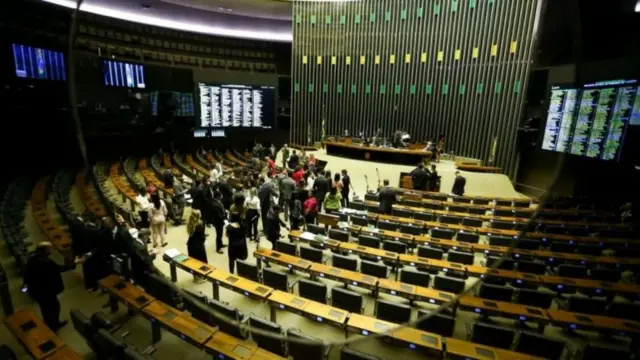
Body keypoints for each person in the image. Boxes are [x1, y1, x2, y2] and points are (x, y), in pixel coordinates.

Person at [24, 242, 86, 331]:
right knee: (54, 307)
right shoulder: (46, 262)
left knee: (45, 308)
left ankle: (49, 323)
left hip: (36, 290)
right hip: (46, 290)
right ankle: (54, 325)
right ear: (45, 250)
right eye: (50, 248)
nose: (52, 250)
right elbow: (61, 268)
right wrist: (76, 262)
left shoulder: (32, 259)